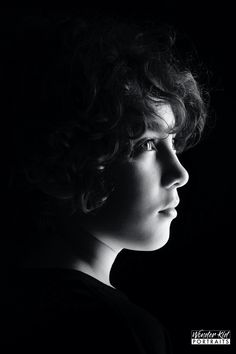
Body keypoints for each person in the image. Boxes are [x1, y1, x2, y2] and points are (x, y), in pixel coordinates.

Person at [4, 14, 207, 353]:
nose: (180, 173)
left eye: (172, 141)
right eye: (145, 146)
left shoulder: (20, 297)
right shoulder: (115, 329)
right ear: (71, 159)